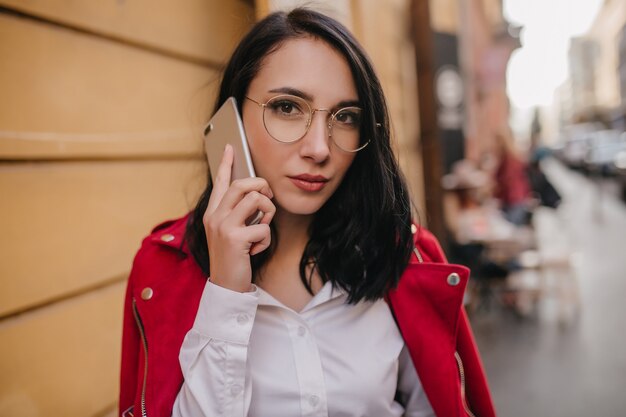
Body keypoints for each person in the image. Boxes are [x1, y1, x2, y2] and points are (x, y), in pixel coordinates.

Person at [119, 8, 495, 417]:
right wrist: (225, 294)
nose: (319, 148)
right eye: (287, 107)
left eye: (346, 117)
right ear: (231, 121)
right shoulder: (161, 270)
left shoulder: (407, 256)